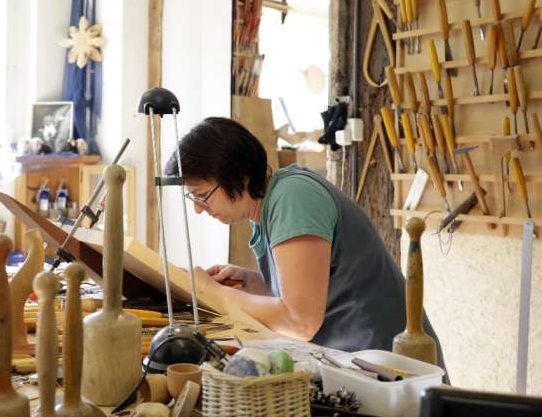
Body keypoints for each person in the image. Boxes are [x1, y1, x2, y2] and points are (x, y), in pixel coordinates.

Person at [165, 117, 446, 369]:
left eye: (202, 196)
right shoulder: (268, 207)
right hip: (361, 359)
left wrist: (214, 293)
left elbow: (300, 321)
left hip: (390, 367)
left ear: (239, 176)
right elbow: (310, 288)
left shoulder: (293, 198)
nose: (199, 209)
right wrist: (250, 282)